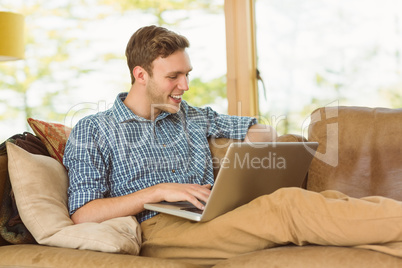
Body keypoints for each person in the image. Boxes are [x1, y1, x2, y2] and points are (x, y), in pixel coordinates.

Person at [63, 25, 402, 266]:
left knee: (327, 200)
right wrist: (158, 192)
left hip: (213, 214)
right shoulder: (93, 129)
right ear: (140, 75)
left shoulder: (191, 116)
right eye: (174, 77)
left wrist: (254, 152)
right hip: (157, 230)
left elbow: (257, 129)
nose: (186, 85)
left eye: (188, 74)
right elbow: (83, 215)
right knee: (286, 206)